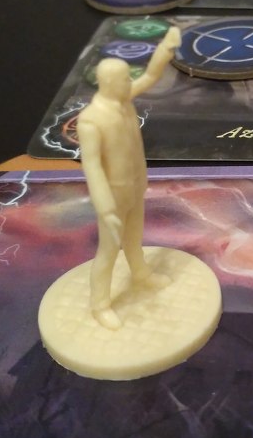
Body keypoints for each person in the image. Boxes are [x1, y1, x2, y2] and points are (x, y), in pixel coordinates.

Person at [77, 26, 180, 329]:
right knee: (108, 251)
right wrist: (105, 207)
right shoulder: (91, 120)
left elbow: (149, 76)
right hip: (112, 196)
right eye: (124, 79)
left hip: (135, 186)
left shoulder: (124, 100)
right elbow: (92, 166)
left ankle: (141, 273)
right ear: (109, 83)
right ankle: (100, 305)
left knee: (134, 239)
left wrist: (166, 48)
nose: (129, 83)